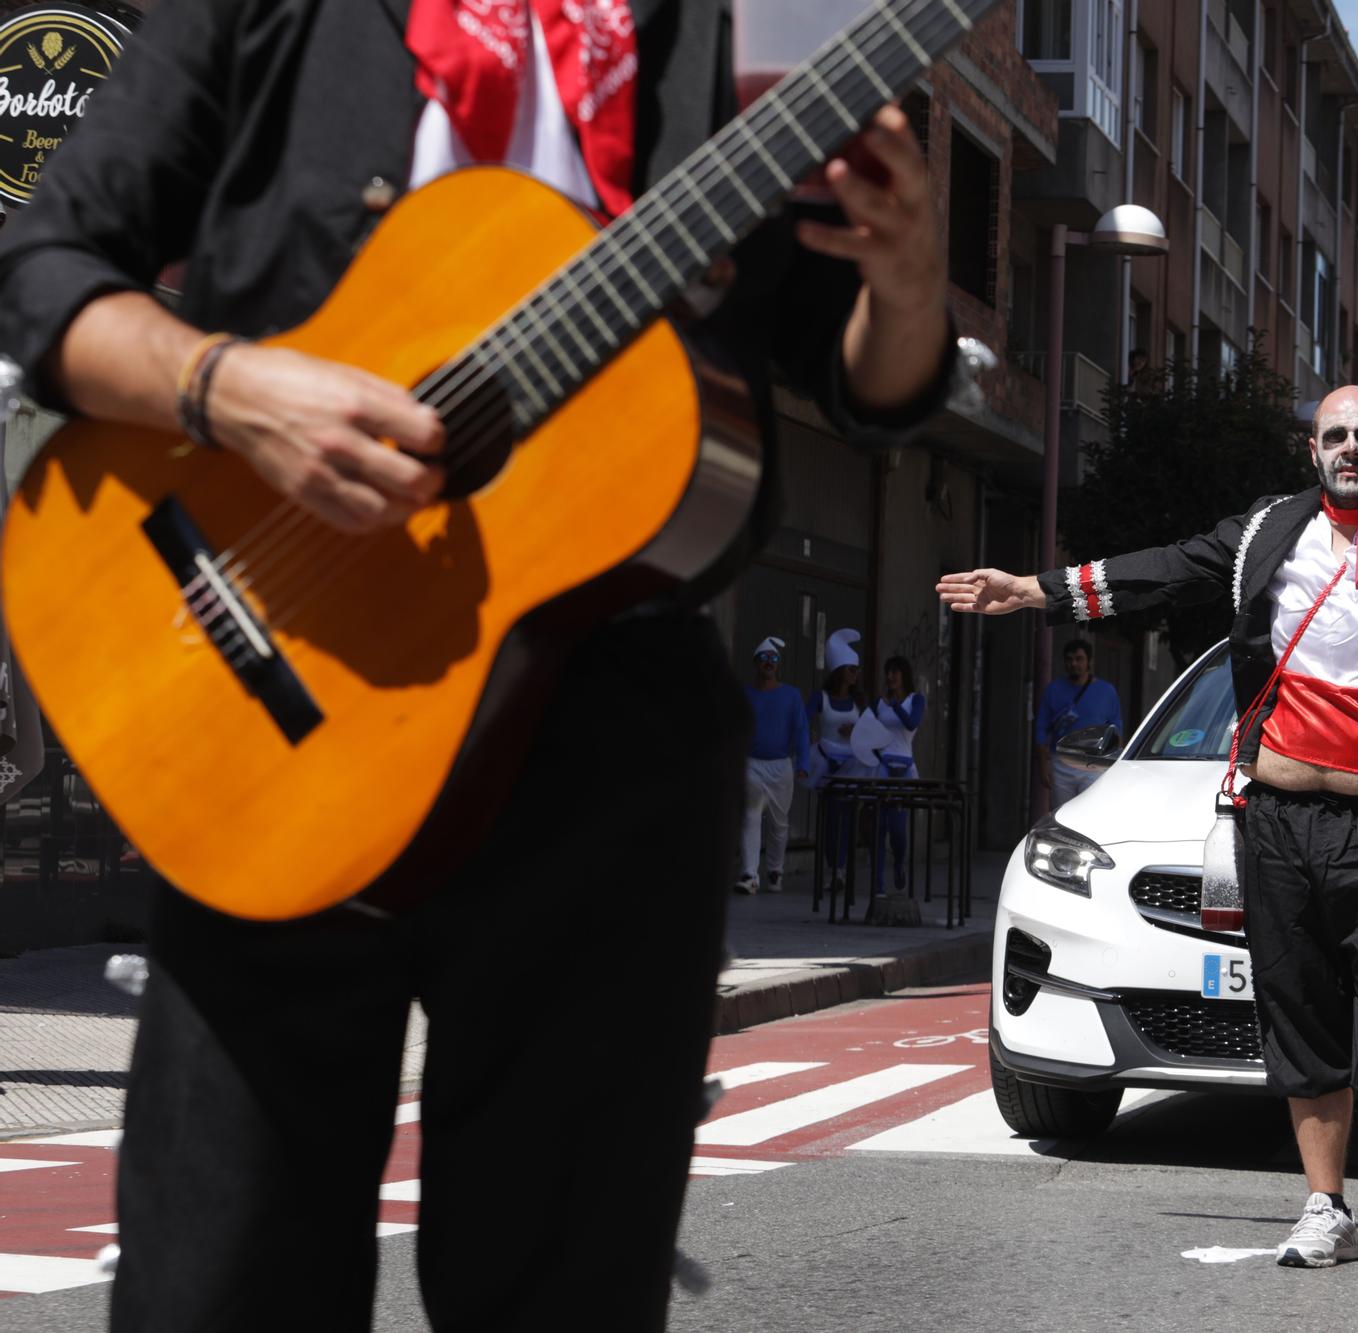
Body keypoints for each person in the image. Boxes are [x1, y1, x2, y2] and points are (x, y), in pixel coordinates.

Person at [0, 2, 954, 1326]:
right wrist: (234, 392)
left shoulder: (753, 29)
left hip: (610, 757)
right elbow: (45, 267)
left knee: (562, 1294)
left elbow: (860, 380)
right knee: (217, 1287)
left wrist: (907, 285)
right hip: (277, 698)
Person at [940, 384, 1358, 1284]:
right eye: (1337, 435)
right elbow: (1162, 569)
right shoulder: (1265, 537)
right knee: (1300, 1015)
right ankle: (1325, 1208)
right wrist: (1036, 590)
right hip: (1277, 821)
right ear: (1313, 449)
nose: (1352, 449)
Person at [739, 637, 809, 894]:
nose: (769, 662)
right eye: (765, 658)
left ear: (779, 665)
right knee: (750, 817)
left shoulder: (791, 696)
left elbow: (801, 730)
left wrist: (803, 762)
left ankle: (775, 870)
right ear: (756, 663)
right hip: (751, 766)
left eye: (774, 658)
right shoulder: (745, 695)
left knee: (779, 825)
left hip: (781, 767)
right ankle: (749, 874)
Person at [809, 628, 869, 891]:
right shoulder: (821, 698)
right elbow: (801, 721)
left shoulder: (859, 702)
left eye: (857, 670)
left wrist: (856, 732)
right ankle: (831, 866)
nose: (855, 674)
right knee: (830, 819)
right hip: (826, 766)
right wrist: (809, 743)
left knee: (847, 818)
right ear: (839, 670)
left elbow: (872, 731)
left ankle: (841, 868)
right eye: (851, 669)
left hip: (852, 767)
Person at [1035, 638, 1123, 807]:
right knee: (1061, 815)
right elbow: (1041, 728)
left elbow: (1116, 729)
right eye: (1069, 659)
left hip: (1094, 764)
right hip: (1061, 765)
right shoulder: (1053, 690)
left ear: (1089, 661)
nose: (1074, 664)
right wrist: (1043, 765)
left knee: (1090, 813)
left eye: (1079, 659)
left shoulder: (1107, 692)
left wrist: (1114, 766)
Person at [865, 654, 925, 893]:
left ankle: (899, 862)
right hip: (882, 766)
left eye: (895, 673)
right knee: (878, 827)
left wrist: (896, 706)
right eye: (887, 673)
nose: (890, 677)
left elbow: (912, 723)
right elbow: (865, 727)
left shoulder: (915, 700)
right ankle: (877, 884)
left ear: (904, 676)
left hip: (905, 767)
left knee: (898, 829)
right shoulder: (878, 703)